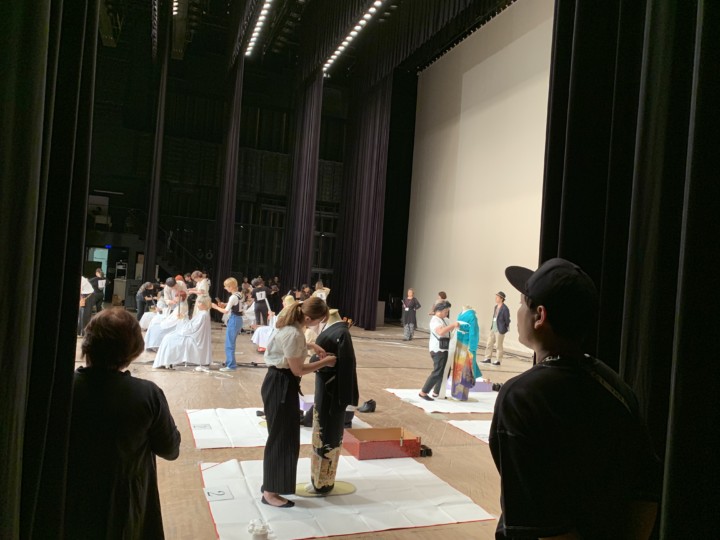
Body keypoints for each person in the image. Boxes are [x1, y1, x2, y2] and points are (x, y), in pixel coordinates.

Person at [490, 258, 661, 539]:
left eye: (522, 304)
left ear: (540, 316)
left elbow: (543, 525)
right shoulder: (614, 385)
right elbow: (646, 491)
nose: (519, 313)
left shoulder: (521, 397)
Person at [65, 308, 181, 538]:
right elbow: (170, 450)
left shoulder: (62, 389)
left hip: (69, 497)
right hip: (123, 505)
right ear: (133, 350)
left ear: (88, 343)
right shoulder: (146, 394)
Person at [261, 297, 336, 508]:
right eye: (319, 321)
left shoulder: (291, 326)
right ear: (309, 318)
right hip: (281, 385)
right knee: (281, 438)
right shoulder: (293, 333)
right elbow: (298, 370)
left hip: (279, 383)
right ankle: (270, 492)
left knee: (283, 436)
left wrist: (310, 345)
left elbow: (289, 349)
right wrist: (326, 362)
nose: (319, 324)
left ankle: (271, 486)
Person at [308, 308, 359, 494]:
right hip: (325, 388)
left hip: (332, 391)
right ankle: (317, 479)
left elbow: (346, 365)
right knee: (321, 431)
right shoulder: (336, 330)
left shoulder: (341, 332)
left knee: (328, 434)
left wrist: (345, 398)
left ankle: (324, 483)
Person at [153, 295, 213, 369]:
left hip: (194, 339)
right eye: (198, 302)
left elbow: (192, 328)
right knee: (168, 337)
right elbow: (192, 325)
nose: (197, 304)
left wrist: (183, 319)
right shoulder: (202, 313)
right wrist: (184, 318)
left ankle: (166, 361)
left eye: (200, 302)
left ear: (205, 304)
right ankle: (165, 361)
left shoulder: (203, 315)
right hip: (194, 335)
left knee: (168, 339)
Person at [419, 301, 460, 401]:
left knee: (445, 371)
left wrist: (455, 326)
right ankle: (423, 392)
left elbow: (450, 329)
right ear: (439, 311)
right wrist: (453, 325)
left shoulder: (445, 319)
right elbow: (441, 332)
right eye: (446, 311)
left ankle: (437, 392)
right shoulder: (435, 320)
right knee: (438, 372)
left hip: (445, 348)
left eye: (448, 311)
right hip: (438, 349)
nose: (447, 313)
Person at [211, 277, 244, 371]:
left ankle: (231, 365)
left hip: (234, 319)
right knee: (231, 342)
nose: (225, 288)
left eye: (226, 286)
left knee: (229, 343)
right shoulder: (240, 294)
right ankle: (230, 361)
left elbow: (225, 311)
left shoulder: (233, 297)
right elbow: (235, 304)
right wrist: (226, 304)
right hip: (239, 319)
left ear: (230, 287)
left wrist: (215, 307)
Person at [452, 304, 480, 400]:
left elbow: (474, 332)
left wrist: (472, 348)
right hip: (460, 341)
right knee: (458, 366)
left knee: (465, 367)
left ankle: (461, 394)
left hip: (466, 342)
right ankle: (456, 392)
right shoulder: (461, 314)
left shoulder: (472, 316)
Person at [481, 291, 511, 365]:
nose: (496, 298)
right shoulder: (495, 307)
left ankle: (498, 360)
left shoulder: (505, 309)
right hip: (493, 329)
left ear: (501, 299)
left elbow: (507, 320)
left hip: (500, 330)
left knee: (498, 346)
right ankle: (488, 358)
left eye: (497, 297)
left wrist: (504, 328)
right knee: (489, 343)